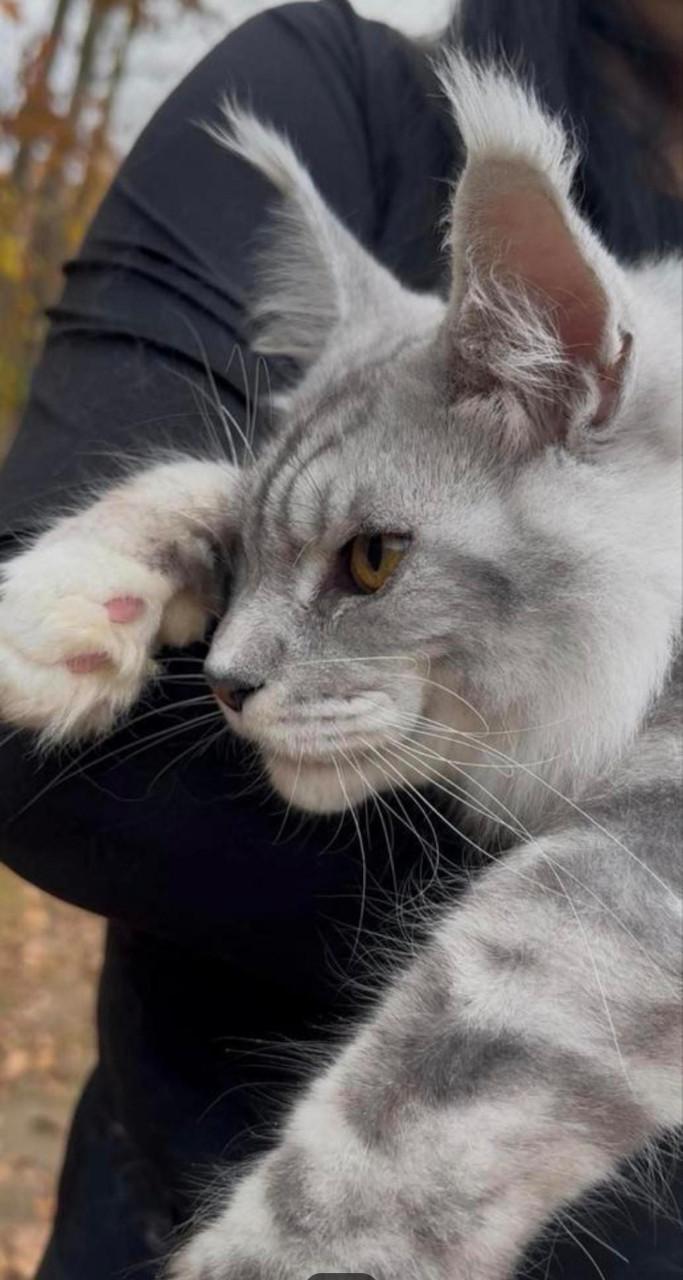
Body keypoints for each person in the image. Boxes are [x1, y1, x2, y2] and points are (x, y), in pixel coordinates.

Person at [0, 2, 681, 1276]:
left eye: (368, 562)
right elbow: (41, 777)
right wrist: (199, 523)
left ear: (571, 387)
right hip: (150, 1187)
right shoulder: (339, 85)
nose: (230, 671)